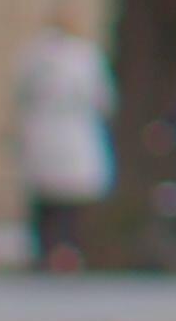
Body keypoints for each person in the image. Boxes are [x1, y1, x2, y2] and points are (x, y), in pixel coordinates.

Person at [12, 17, 112, 274]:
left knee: (44, 198)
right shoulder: (86, 57)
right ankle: (69, 250)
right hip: (75, 133)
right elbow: (103, 98)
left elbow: (19, 93)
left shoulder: (33, 56)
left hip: (42, 132)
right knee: (72, 200)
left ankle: (45, 250)